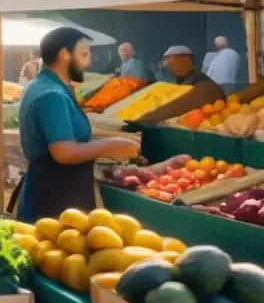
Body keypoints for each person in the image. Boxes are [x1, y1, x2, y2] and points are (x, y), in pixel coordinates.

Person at [14, 28, 139, 222]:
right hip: (55, 199)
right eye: (84, 54)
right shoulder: (52, 95)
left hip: (53, 190)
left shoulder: (40, 85)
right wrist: (111, 146)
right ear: (64, 55)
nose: (88, 61)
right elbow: (64, 152)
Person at [137, 45, 226, 123]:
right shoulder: (180, 81)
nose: (168, 65)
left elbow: (175, 108)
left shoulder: (205, 86)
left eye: (170, 61)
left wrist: (143, 119)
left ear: (185, 61)